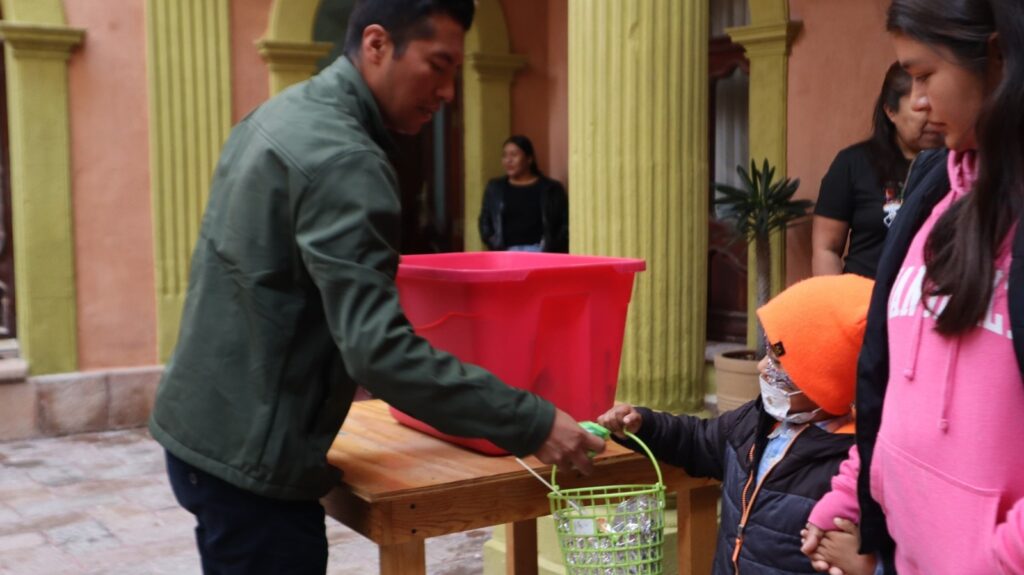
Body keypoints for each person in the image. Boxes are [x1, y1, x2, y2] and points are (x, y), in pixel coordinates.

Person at [147, 2, 603, 573]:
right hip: (252, 460)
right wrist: (533, 421)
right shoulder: (346, 158)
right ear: (377, 44)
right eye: (437, 66)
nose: (447, 92)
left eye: (455, 73)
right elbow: (379, 351)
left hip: (203, 428)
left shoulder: (278, 115)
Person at [801, 1, 1024, 573]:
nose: (918, 101)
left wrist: (994, 558)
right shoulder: (931, 187)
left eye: (926, 75)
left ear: (998, 57)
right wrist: (854, 492)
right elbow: (888, 385)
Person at [598, 274, 873, 574]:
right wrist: (644, 425)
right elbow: (698, 440)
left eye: (778, 362)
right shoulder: (756, 421)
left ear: (824, 379)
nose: (761, 367)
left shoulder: (857, 467)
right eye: (766, 354)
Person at [812, 62, 943, 278]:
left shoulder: (956, 166)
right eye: (921, 108)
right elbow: (826, 249)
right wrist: (840, 307)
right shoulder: (852, 163)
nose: (933, 117)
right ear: (891, 111)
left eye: (938, 106)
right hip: (863, 300)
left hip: (927, 304)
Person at [478, 135, 569, 253]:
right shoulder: (495, 188)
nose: (508, 160)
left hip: (540, 253)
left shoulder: (551, 189)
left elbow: (565, 223)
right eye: (505, 155)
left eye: (514, 155)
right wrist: (494, 244)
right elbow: (485, 220)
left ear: (529, 159)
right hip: (506, 254)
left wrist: (552, 246)